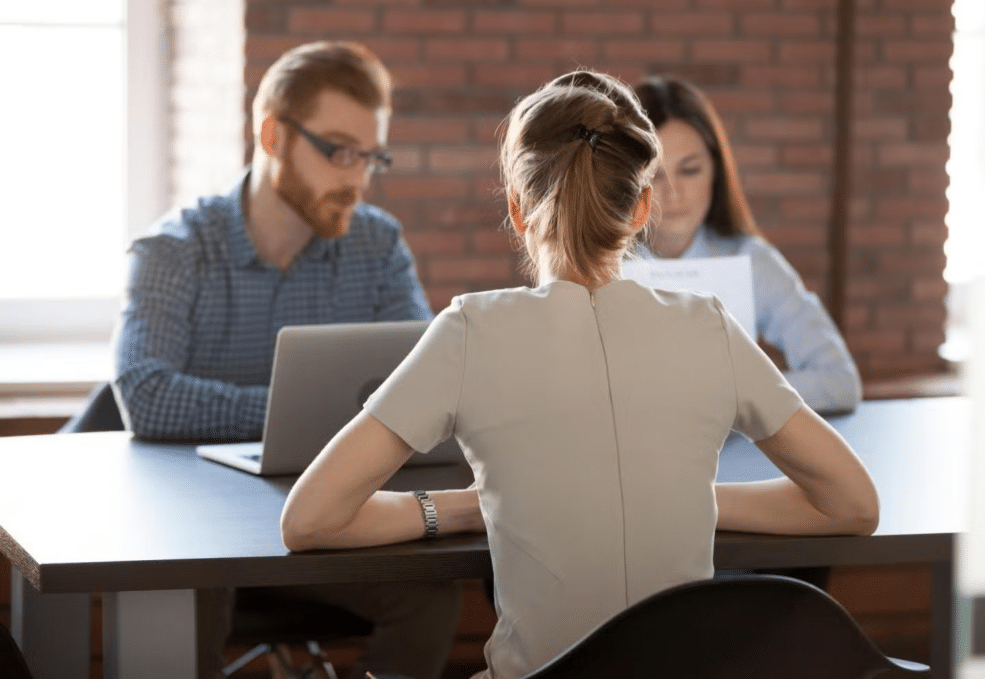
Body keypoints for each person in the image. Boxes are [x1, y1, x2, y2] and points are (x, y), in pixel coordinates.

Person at [280, 70, 879, 679]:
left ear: (516, 210)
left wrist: (467, 509)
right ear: (644, 205)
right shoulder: (709, 327)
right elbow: (851, 505)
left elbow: (312, 520)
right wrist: (675, 501)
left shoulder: (470, 330)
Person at [113, 41, 460, 679]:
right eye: (339, 150)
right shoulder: (174, 250)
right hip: (195, 532)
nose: (358, 177)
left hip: (328, 525)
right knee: (187, 596)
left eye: (370, 155)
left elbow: (427, 385)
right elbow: (147, 393)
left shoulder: (376, 245)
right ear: (273, 136)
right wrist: (296, 416)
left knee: (431, 595)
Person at [632, 76, 862, 414]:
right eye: (655, 176)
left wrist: (741, 393)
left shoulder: (750, 260)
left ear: (716, 171)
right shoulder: (594, 266)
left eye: (690, 170)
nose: (674, 193)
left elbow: (839, 381)